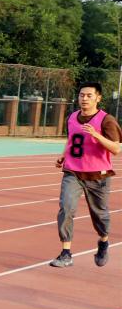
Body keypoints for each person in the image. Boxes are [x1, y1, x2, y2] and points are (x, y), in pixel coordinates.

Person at [49, 81, 120, 268]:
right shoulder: (72, 117)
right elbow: (71, 140)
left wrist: (96, 135)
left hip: (98, 175)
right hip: (73, 172)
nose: (84, 99)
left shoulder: (106, 120)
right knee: (66, 208)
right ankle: (66, 253)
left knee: (100, 215)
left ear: (98, 98)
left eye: (89, 95)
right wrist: (63, 155)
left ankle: (103, 241)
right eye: (81, 95)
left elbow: (116, 149)